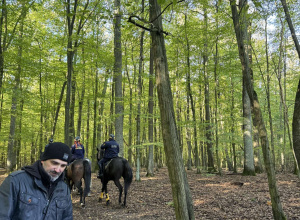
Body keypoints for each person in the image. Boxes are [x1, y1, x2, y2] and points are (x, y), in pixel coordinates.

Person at [0, 142, 73, 220]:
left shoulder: (64, 189)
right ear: (43, 160)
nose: (58, 170)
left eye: (63, 166)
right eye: (54, 163)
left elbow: (67, 217)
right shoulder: (15, 181)